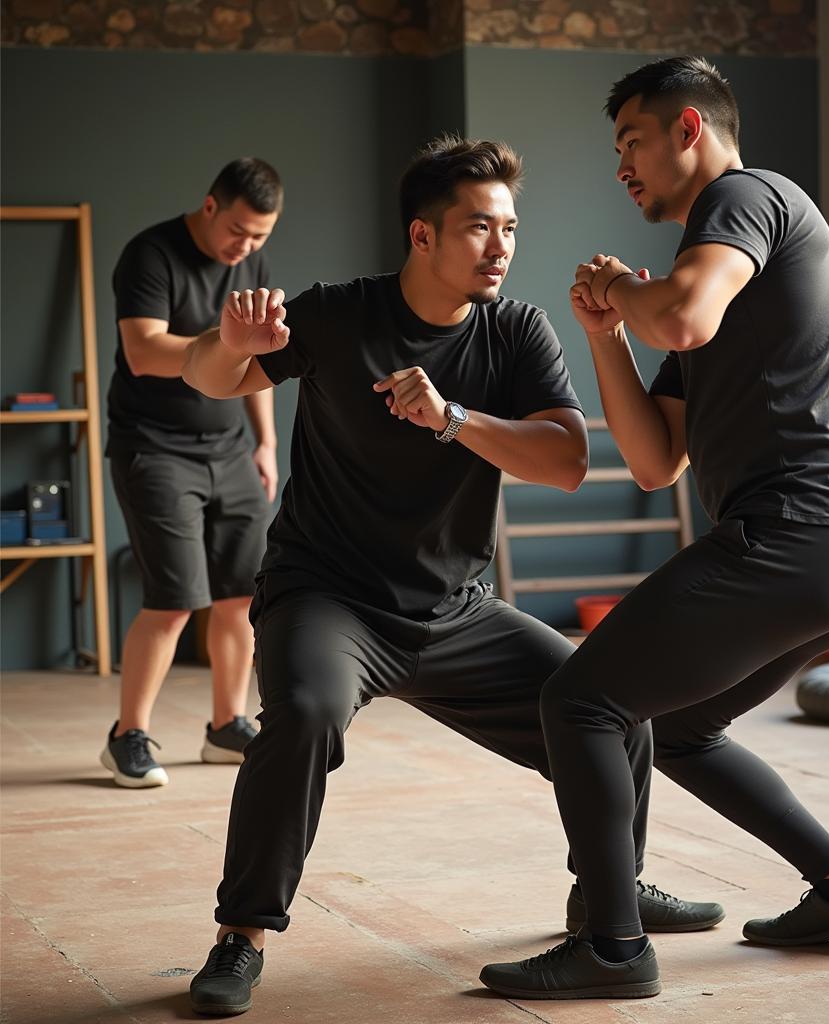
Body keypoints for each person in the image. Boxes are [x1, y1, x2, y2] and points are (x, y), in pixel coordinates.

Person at [179, 136, 721, 1017]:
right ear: (422, 236)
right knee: (305, 715)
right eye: (479, 227)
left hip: (454, 612)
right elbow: (213, 377)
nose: (501, 245)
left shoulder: (516, 331)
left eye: (509, 227)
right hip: (329, 597)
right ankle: (241, 936)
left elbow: (567, 461)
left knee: (612, 708)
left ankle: (611, 896)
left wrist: (453, 416)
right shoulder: (341, 313)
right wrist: (226, 343)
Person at [479, 56, 829, 1000]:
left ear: (687, 130)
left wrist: (627, 293)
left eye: (632, 142)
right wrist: (604, 332)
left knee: (577, 701)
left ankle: (613, 949)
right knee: (675, 726)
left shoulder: (745, 198)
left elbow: (678, 317)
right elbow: (652, 459)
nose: (622, 167)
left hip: (801, 529)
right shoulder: (706, 278)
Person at [101, 158, 282, 788]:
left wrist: (266, 444)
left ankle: (226, 725)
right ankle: (127, 737)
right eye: (238, 231)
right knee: (174, 601)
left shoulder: (249, 261)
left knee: (240, 596)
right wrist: (225, 343)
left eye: (261, 236)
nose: (247, 247)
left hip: (230, 448)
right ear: (210, 207)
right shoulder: (150, 254)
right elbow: (144, 350)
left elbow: (256, 360)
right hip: (153, 447)